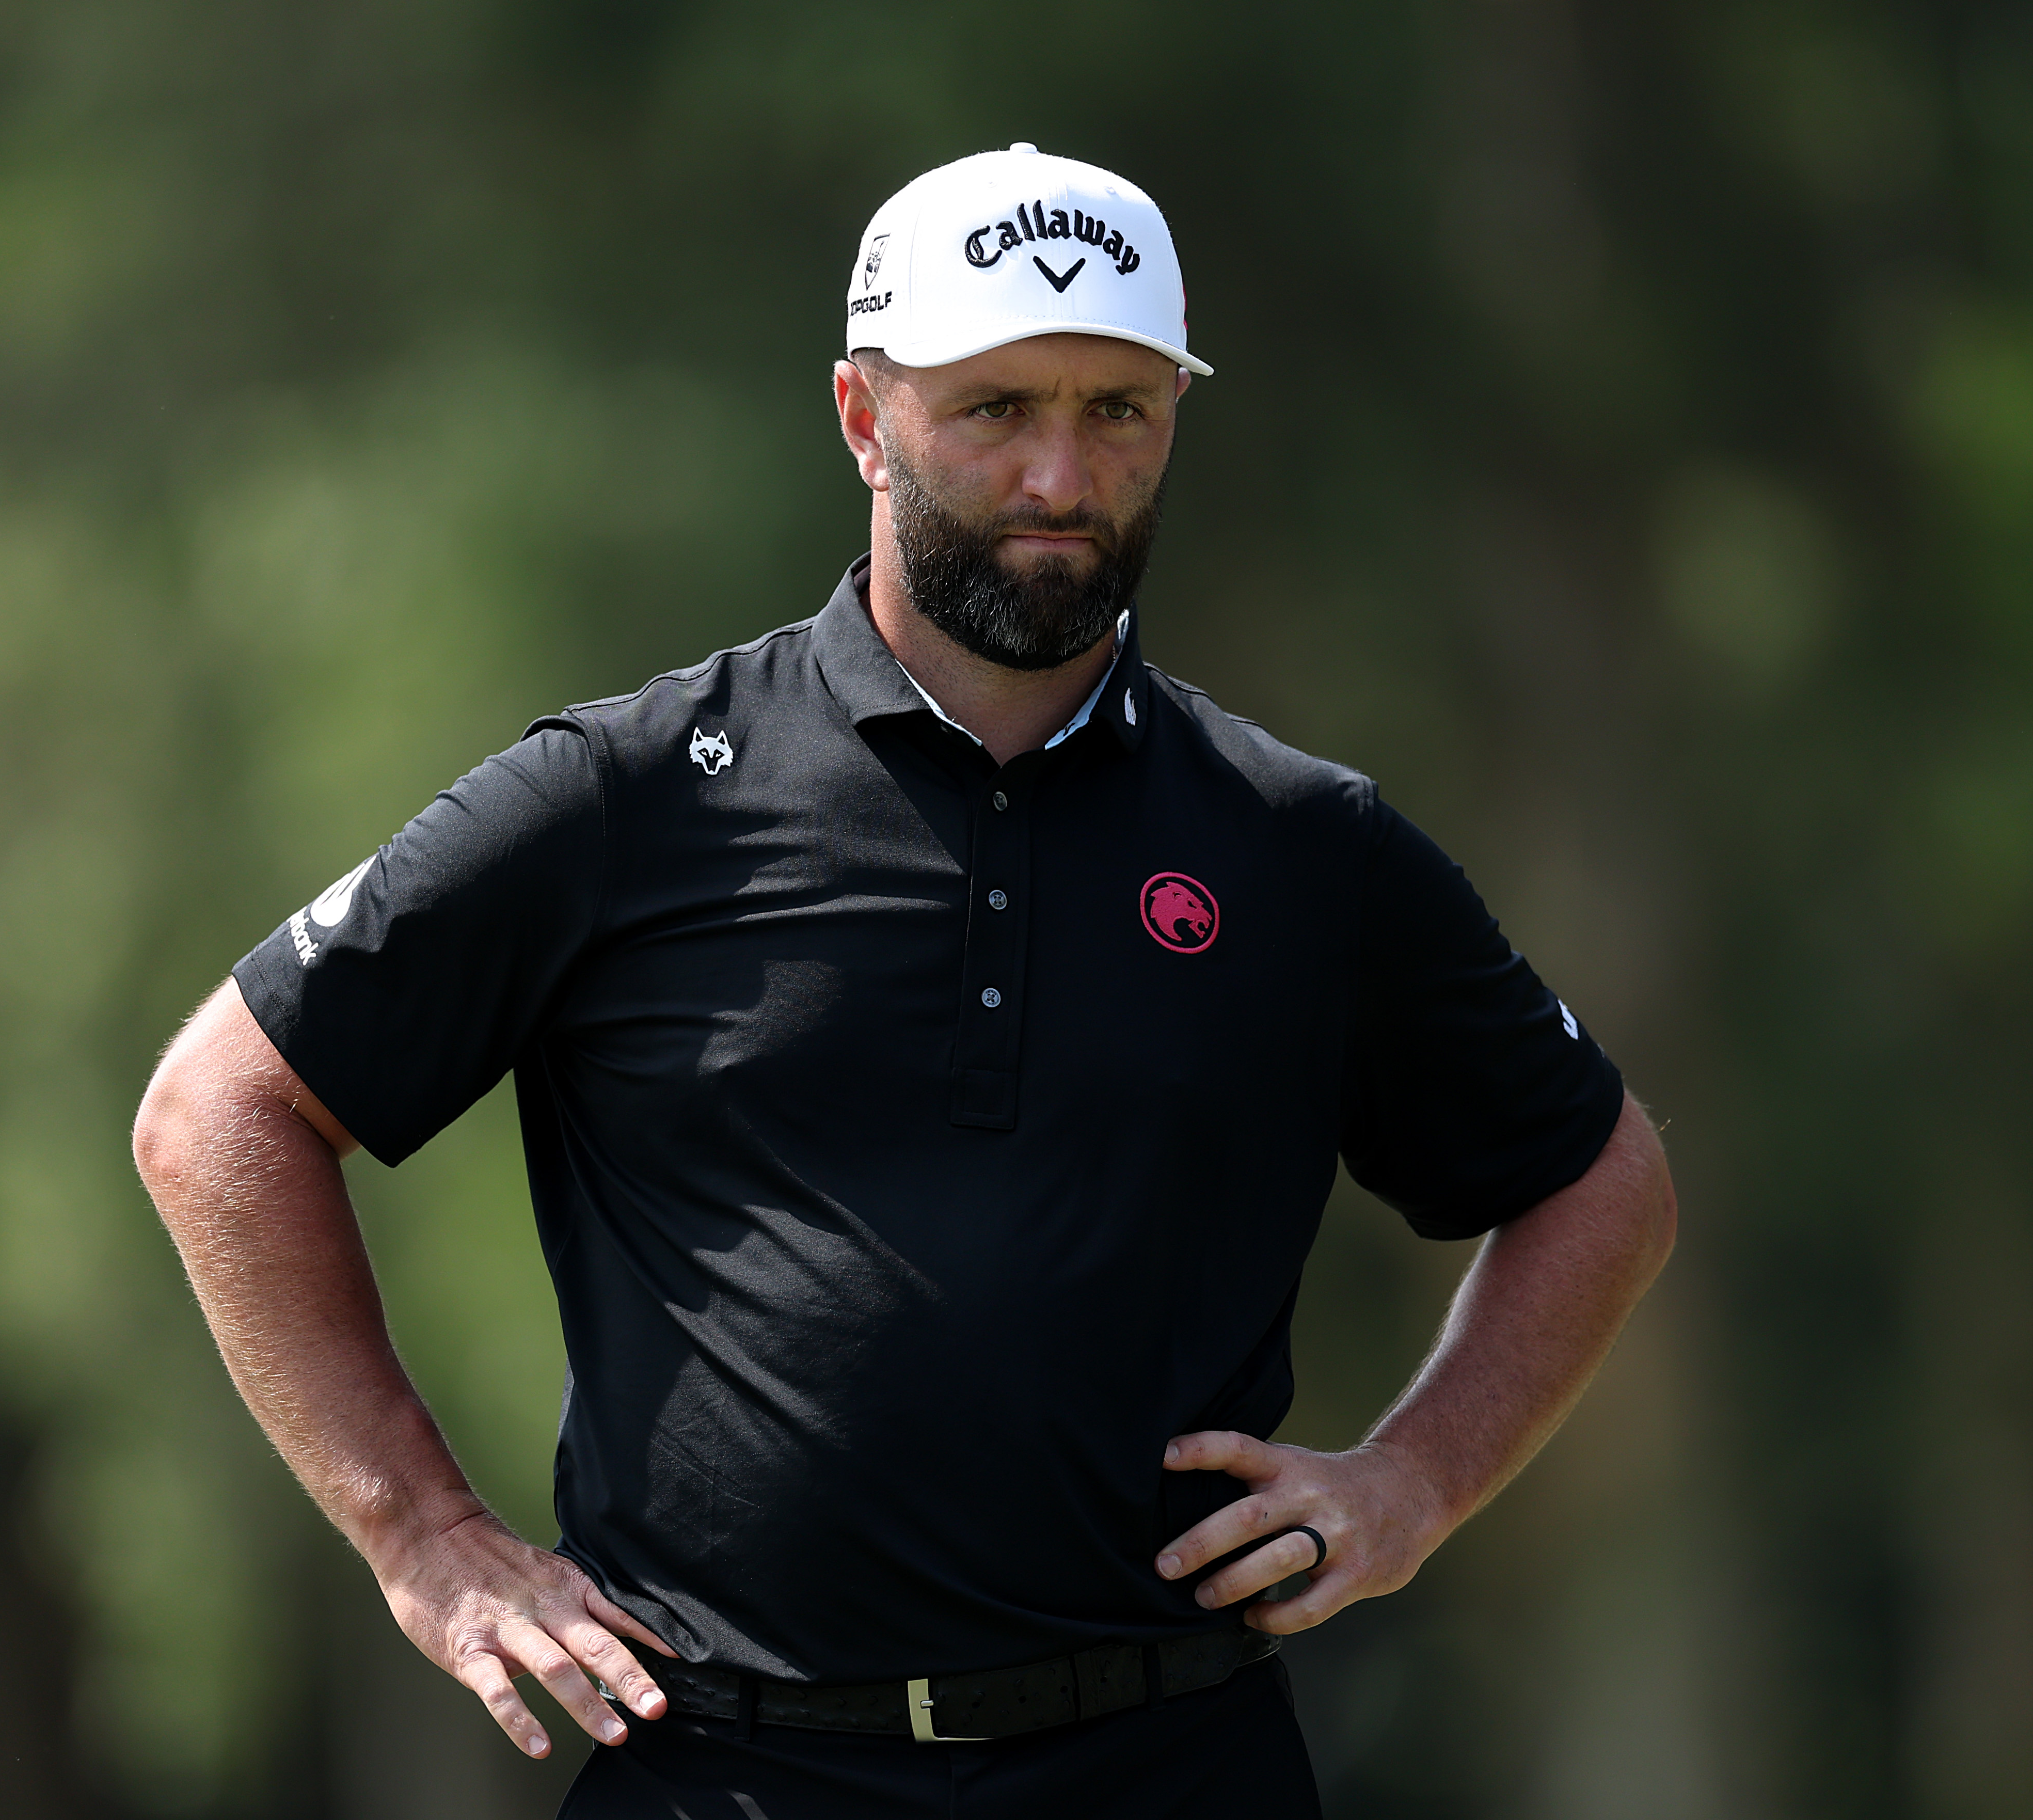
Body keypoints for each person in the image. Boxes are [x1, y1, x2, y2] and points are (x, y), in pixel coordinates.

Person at [132, 143, 1676, 1819]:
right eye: (996, 408)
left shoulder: (1300, 845)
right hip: (723, 1772)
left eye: (1120, 411)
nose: (1062, 475)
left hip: (1171, 1765)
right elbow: (222, 1108)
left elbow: (1600, 1177)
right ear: (866, 420)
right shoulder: (633, 797)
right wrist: (420, 1535)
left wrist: (1415, 1484)